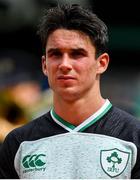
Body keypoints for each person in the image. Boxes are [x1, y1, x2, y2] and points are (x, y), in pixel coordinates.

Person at [0, 4, 140, 179]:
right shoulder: (18, 143)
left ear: (102, 63)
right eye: (56, 54)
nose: (64, 64)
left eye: (77, 54)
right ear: (45, 65)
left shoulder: (134, 136)